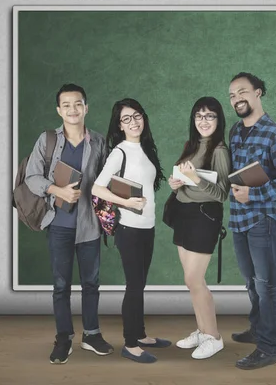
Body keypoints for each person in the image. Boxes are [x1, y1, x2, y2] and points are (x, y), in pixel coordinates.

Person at [25, 83, 114, 364]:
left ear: (86, 108)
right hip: (59, 225)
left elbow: (107, 181)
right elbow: (32, 177)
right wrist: (58, 190)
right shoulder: (48, 139)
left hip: (89, 225)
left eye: (78, 104)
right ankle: (64, 338)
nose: (73, 110)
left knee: (91, 283)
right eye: (66, 105)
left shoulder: (99, 142)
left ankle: (91, 334)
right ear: (59, 110)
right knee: (61, 285)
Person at [227, 72, 276, 369]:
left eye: (242, 92)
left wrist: (255, 196)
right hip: (238, 219)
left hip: (265, 219)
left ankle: (269, 347)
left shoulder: (275, 133)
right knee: (251, 281)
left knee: (267, 283)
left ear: (258, 93)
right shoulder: (235, 131)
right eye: (232, 95)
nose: (236, 99)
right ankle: (258, 328)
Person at [91, 98, 169, 364]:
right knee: (134, 286)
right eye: (126, 119)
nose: (134, 122)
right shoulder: (120, 152)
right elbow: (97, 188)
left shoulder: (145, 149)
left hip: (147, 227)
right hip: (129, 228)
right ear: (119, 125)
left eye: (137, 116)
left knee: (140, 284)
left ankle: (141, 335)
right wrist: (125, 202)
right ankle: (130, 343)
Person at [167, 96, 232, 359]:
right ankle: (203, 330)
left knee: (193, 279)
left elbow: (222, 193)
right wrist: (177, 183)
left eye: (210, 116)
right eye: (199, 116)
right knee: (193, 282)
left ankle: (214, 337)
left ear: (219, 120)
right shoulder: (191, 145)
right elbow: (185, 180)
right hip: (183, 214)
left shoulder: (219, 150)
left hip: (204, 218)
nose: (204, 121)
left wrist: (194, 179)